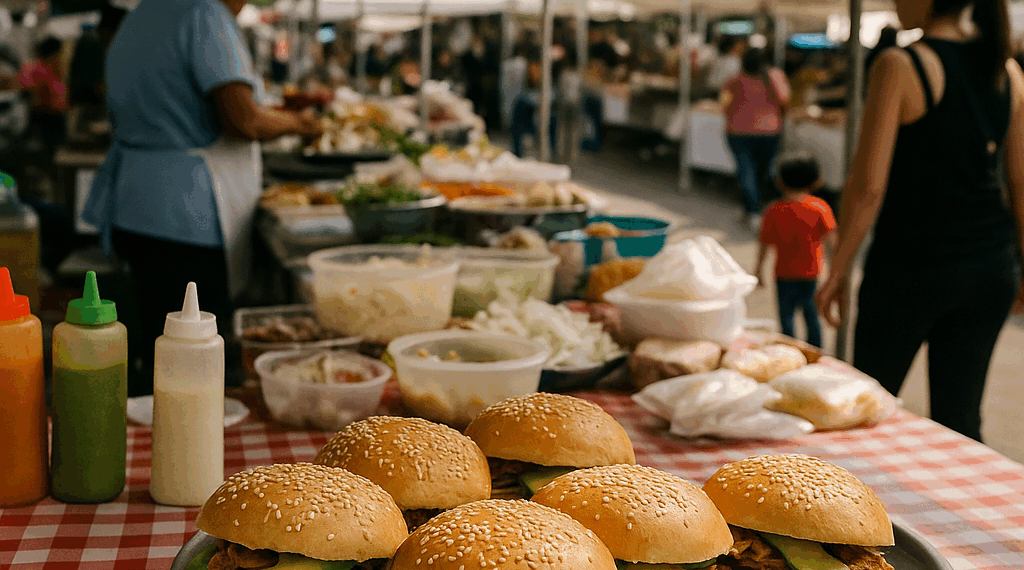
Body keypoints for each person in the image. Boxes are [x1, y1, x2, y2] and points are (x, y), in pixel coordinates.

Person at [82, 0, 322, 397]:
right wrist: (301, 124)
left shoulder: (141, 15)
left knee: (157, 348)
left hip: (134, 204)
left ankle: (148, 424)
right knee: (194, 363)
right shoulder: (203, 15)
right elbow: (242, 120)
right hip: (186, 215)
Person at [816, 0, 1024, 443]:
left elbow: (867, 186)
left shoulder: (900, 64)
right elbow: (1021, 183)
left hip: (911, 268)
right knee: (960, 418)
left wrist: (839, 269)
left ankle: (860, 491)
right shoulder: (1006, 71)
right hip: (990, 267)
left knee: (866, 409)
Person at [755, 152, 836, 348]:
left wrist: (758, 269)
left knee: (787, 319)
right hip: (811, 273)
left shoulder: (773, 211)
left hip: (783, 274)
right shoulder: (820, 208)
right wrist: (835, 272)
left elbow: (764, 243)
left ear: (779, 182)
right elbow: (833, 240)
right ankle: (816, 352)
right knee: (812, 317)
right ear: (817, 182)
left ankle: (788, 352)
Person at [721, 47, 791, 230]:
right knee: (762, 171)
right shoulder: (775, 76)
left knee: (746, 171)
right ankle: (756, 209)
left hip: (738, 131)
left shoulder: (735, 80)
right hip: (769, 131)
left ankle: (752, 211)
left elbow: (724, 103)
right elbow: (784, 100)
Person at [67, 3, 127, 110]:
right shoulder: (93, 44)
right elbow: (96, 84)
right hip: (89, 105)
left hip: (82, 103)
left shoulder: (90, 40)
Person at [17, 36, 68, 154]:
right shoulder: (37, 68)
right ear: (53, 53)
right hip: (45, 117)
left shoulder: (52, 68)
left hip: (53, 116)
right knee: (48, 152)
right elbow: (30, 92)